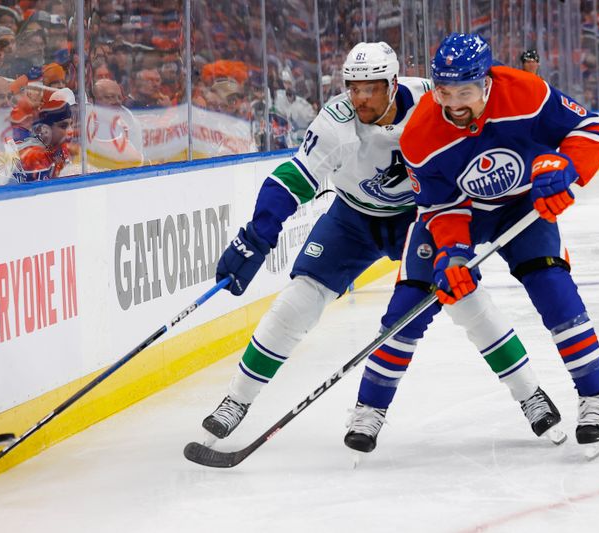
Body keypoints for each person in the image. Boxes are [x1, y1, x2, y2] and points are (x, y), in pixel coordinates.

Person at [199, 42, 563, 450]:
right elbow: (293, 178)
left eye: (371, 88)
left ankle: (529, 393)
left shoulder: (431, 98)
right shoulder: (337, 122)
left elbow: (483, 120)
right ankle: (237, 400)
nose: (360, 98)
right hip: (353, 219)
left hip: (422, 216)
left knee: (466, 299)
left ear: (392, 84)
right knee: (296, 303)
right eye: (353, 88)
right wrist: (257, 236)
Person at [349, 33, 599, 457]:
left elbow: (589, 129)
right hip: (459, 213)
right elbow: (438, 208)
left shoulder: (526, 93)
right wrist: (452, 254)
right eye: (445, 91)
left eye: (465, 92)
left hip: (523, 206)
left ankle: (595, 398)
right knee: (408, 305)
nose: (454, 104)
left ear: (486, 83)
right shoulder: (420, 134)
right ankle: (369, 409)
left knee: (554, 292)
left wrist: (567, 168)